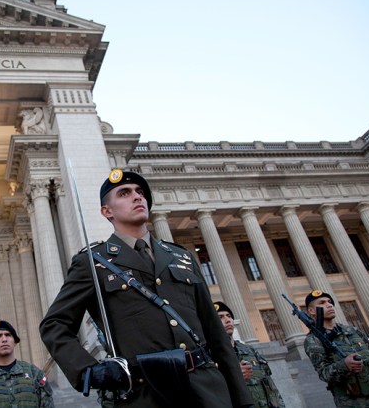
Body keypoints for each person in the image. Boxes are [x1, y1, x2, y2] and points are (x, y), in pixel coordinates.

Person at [39, 169, 252, 407]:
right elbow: (54, 325)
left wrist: (241, 399)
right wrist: (88, 369)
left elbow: (215, 332)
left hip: (207, 389)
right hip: (146, 394)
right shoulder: (93, 262)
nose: (137, 197)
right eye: (124, 193)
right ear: (107, 211)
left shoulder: (181, 256)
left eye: (140, 192)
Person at [303, 289, 369, 407]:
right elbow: (324, 374)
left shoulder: (353, 331)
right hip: (354, 402)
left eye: (329, 302)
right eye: (322, 303)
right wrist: (344, 365)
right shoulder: (313, 340)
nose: (329, 305)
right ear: (311, 311)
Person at [214, 301, 285, 408]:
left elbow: (269, 385)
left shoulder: (249, 350)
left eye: (229, 316)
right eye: (221, 317)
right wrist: (234, 376)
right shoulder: (210, 354)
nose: (227, 320)